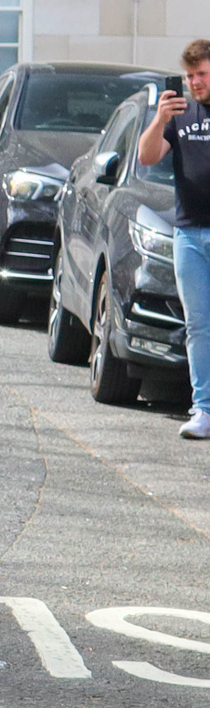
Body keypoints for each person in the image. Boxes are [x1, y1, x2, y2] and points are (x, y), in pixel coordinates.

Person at [136, 36, 210, 440]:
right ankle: (203, 409)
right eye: (189, 76)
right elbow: (147, 157)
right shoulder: (179, 113)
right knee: (199, 326)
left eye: (201, 74)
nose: (195, 82)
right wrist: (160, 118)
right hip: (190, 235)